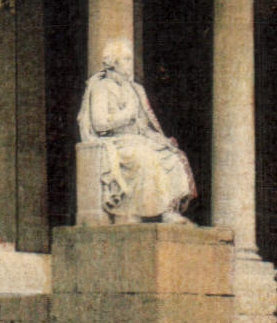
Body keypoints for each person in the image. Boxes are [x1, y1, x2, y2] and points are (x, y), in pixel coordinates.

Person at [77, 39, 196, 223]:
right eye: (125, 59)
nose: (129, 64)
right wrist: (126, 115)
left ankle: (169, 211)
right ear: (113, 63)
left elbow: (142, 126)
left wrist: (161, 140)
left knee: (172, 156)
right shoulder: (102, 87)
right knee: (145, 156)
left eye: (129, 59)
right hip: (115, 141)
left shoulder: (134, 90)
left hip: (136, 139)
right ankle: (150, 212)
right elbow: (100, 123)